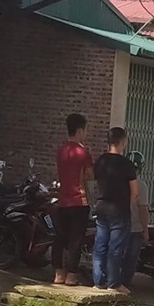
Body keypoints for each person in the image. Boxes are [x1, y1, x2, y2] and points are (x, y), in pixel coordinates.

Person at [92, 127, 138, 294]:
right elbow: (135, 191)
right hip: (119, 210)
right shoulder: (127, 164)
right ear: (123, 142)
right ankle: (113, 283)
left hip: (101, 207)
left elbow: (94, 179)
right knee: (115, 248)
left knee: (100, 245)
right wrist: (128, 205)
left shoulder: (101, 161)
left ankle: (98, 281)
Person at [53, 113, 94, 286]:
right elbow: (90, 175)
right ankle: (71, 275)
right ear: (79, 131)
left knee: (60, 238)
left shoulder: (61, 150)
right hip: (79, 201)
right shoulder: (83, 152)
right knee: (76, 240)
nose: (86, 134)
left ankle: (58, 274)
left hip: (63, 200)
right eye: (85, 130)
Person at [121, 151, 150, 288]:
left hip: (119, 226)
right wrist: (146, 230)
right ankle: (124, 284)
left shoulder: (119, 182)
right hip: (134, 228)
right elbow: (143, 210)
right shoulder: (141, 185)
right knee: (130, 260)